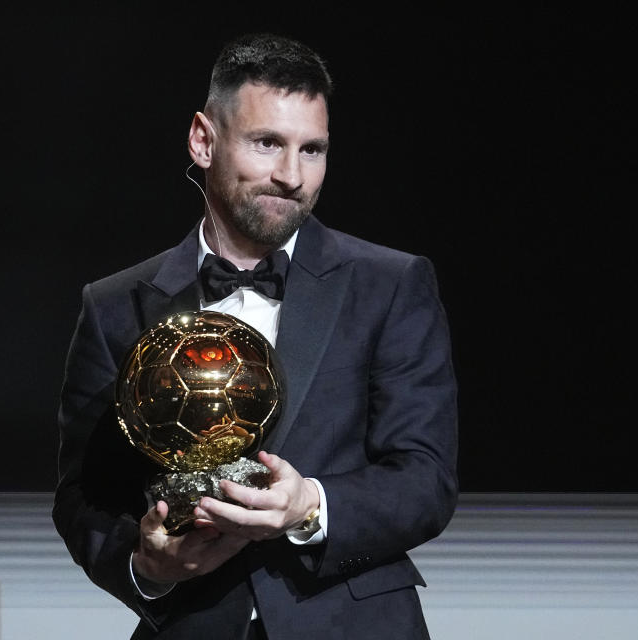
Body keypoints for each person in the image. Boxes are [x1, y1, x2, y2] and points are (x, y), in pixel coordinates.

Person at [52, 32, 459, 640]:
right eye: (267, 143)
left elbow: (426, 479)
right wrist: (146, 567)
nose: (292, 175)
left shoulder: (391, 283)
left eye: (312, 149)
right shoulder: (115, 304)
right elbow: (82, 497)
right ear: (202, 140)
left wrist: (309, 507)